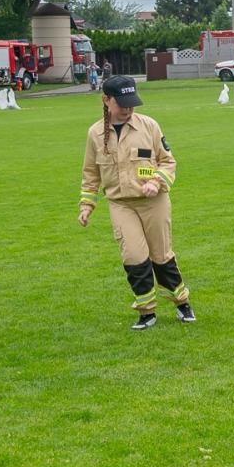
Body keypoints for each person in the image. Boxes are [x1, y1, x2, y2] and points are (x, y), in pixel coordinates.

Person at [78, 76, 195, 330]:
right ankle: (146, 312)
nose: (128, 108)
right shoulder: (95, 134)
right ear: (106, 101)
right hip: (121, 204)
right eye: (122, 103)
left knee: (161, 256)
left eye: (132, 102)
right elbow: (90, 174)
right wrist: (86, 205)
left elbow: (168, 162)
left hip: (154, 202)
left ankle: (182, 302)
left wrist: (157, 182)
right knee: (133, 256)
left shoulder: (149, 126)